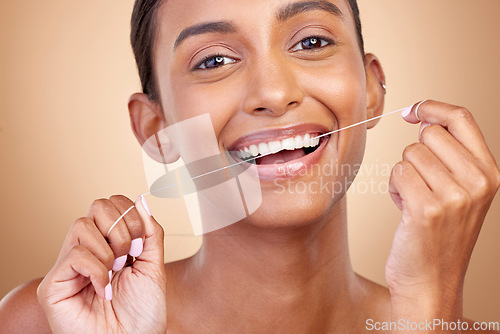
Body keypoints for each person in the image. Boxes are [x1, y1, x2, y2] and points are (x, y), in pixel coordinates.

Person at [0, 0, 499, 333]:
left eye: (311, 42)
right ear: (155, 128)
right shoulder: (45, 321)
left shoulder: (443, 320)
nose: (275, 94)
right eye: (214, 60)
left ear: (371, 93)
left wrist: (429, 313)